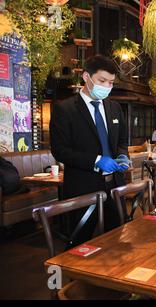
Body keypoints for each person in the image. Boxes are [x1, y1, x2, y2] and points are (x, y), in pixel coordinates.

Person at [50, 54, 129, 246]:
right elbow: (60, 151)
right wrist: (96, 160)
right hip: (82, 187)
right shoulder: (65, 109)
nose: (107, 87)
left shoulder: (115, 107)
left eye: (111, 82)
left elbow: (121, 140)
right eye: (102, 81)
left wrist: (122, 155)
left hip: (114, 186)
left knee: (118, 240)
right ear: (86, 77)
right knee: (80, 243)